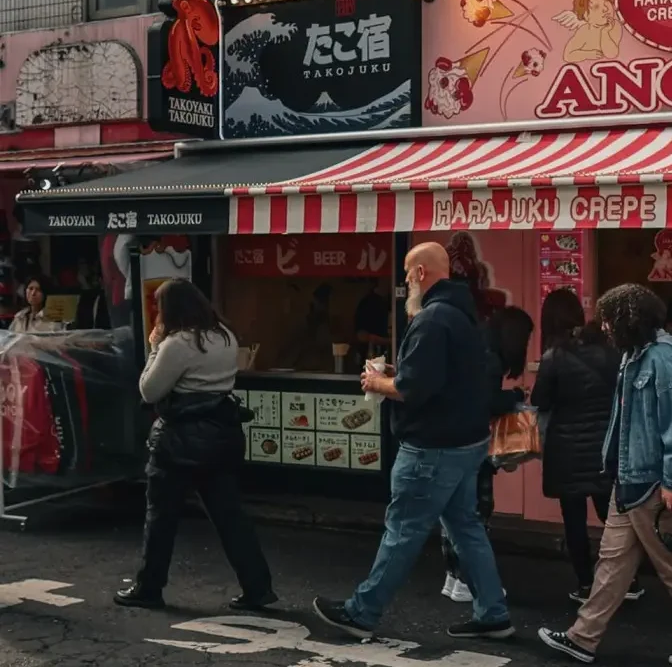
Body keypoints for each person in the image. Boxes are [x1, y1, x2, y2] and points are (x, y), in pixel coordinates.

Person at [313, 242, 513, 641]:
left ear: (421, 273)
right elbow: (442, 376)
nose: (405, 283)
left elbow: (411, 388)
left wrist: (376, 381)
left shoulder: (431, 319)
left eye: (406, 274)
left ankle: (361, 613)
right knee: (466, 529)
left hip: (432, 446)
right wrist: (397, 373)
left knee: (403, 530)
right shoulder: (463, 315)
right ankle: (493, 613)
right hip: (467, 442)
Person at [539, 284, 672, 666]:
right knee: (612, 561)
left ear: (627, 320)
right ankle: (582, 637)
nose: (604, 327)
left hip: (653, 480)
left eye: (609, 320)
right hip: (632, 476)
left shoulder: (661, 360)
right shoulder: (635, 355)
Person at [115, 279, 274, 611]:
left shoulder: (176, 344)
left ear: (171, 310)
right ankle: (257, 586)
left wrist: (155, 345)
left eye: (159, 307)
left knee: (161, 518)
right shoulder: (224, 336)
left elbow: (149, 390)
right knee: (230, 516)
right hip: (221, 435)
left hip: (179, 440)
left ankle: (149, 587)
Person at [529, 288, 643, 603]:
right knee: (613, 517)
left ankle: (585, 584)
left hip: (567, 450)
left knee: (574, 521)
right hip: (606, 446)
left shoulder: (555, 356)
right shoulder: (611, 350)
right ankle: (628, 580)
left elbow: (541, 400)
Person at [441, 305, 531, 603]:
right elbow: (487, 402)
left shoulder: (473, 347)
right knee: (475, 515)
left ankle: (454, 578)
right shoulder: (491, 360)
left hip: (449, 439)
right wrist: (515, 396)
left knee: (454, 514)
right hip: (472, 444)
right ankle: (471, 582)